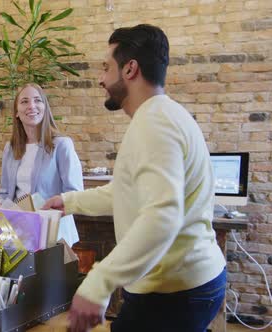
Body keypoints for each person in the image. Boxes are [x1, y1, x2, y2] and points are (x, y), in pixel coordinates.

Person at [43, 24, 226, 332]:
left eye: (106, 67)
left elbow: (162, 216)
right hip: (186, 285)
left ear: (130, 69)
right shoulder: (163, 115)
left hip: (172, 292)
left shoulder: (153, 124)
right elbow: (128, 192)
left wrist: (98, 282)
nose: (101, 79)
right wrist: (68, 201)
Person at [0, 83, 83, 246]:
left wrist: (49, 211)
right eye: (24, 101)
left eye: (37, 100)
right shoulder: (10, 148)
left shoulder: (62, 145)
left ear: (45, 107)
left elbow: (75, 194)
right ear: (16, 112)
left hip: (55, 234)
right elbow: (4, 193)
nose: (31, 106)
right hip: (19, 233)